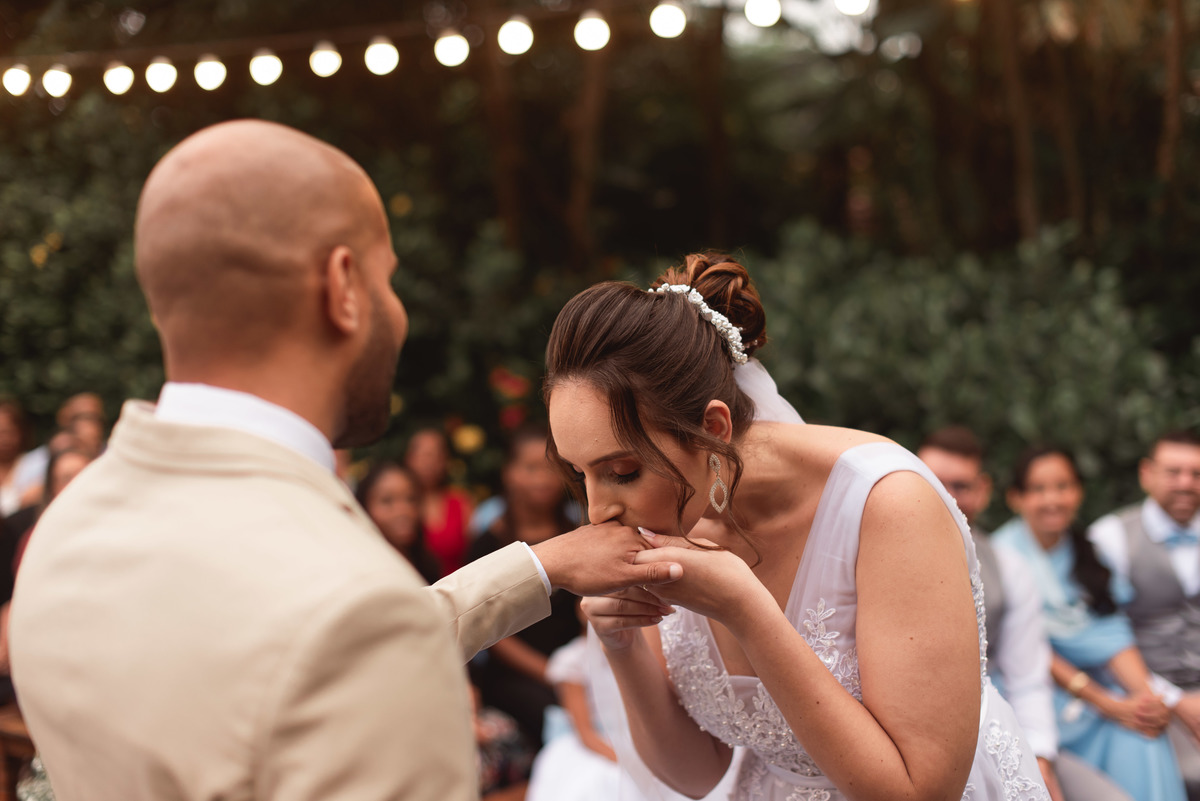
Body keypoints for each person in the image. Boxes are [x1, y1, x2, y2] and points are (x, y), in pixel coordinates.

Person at [8, 119, 681, 801]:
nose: (399, 312)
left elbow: (279, 651)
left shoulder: (63, 531)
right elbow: (343, 637)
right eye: (388, 279)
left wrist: (544, 565)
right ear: (343, 286)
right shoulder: (348, 605)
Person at [544, 253, 1048, 801]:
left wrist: (745, 609)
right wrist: (621, 644)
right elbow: (697, 774)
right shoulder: (668, 523)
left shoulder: (889, 503)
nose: (597, 511)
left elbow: (920, 793)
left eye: (622, 471)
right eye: (579, 474)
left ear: (713, 429)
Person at [917, 428, 1131, 801]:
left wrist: (1040, 758)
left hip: (994, 731)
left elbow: (1027, 676)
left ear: (983, 490)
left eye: (961, 486)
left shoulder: (1009, 567)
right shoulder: (866, 553)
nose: (946, 496)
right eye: (932, 481)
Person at [993, 445, 1186, 801]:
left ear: (1078, 492)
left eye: (1062, 486)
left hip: (1097, 694)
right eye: (1038, 489)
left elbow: (1111, 635)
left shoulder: (1089, 552)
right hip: (1036, 700)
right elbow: (1029, 650)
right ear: (1015, 498)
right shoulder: (1002, 558)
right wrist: (1108, 704)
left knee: (1145, 733)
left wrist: (1145, 699)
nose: (1052, 499)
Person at [1088, 429, 1200, 800]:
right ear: (1146, 474)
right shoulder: (1110, 538)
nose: (1186, 483)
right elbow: (1101, 639)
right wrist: (1174, 701)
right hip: (1148, 701)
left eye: (1196, 474)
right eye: (1174, 472)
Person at [469, 422, 581, 746]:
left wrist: (578, 668)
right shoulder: (488, 543)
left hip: (576, 665)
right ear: (509, 472)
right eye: (530, 468)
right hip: (516, 675)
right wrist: (551, 672)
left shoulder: (576, 534)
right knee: (553, 715)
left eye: (551, 468)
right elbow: (487, 628)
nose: (543, 479)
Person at [355, 460, 441, 584]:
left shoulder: (426, 565)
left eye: (411, 499)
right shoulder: (361, 573)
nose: (403, 510)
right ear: (364, 506)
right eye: (387, 501)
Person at [407, 427, 474, 576]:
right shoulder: (401, 505)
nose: (428, 462)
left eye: (435, 456)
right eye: (423, 455)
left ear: (445, 461)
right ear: (409, 459)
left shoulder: (461, 502)